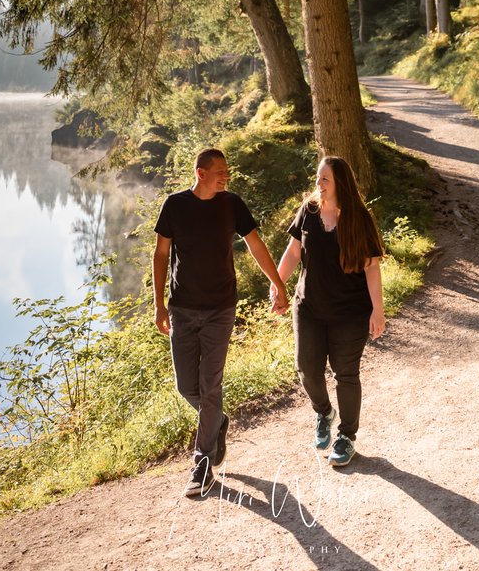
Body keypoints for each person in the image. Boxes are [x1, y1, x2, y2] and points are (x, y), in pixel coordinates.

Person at [153, 147, 289, 497]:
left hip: (220, 310)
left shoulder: (232, 205)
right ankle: (216, 421)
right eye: (220, 171)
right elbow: (161, 254)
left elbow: (256, 245)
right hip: (182, 309)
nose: (226, 176)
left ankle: (202, 465)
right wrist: (158, 305)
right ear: (200, 173)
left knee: (210, 387)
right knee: (187, 387)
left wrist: (278, 282)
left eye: (227, 171)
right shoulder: (175, 205)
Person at [276, 155, 385, 467]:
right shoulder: (308, 211)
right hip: (309, 307)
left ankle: (347, 436)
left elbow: (371, 267)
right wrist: (278, 284)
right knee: (306, 368)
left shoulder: (358, 219)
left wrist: (377, 309)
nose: (318, 184)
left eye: (324, 179)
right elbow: (293, 251)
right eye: (317, 178)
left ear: (340, 185)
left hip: (349, 313)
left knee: (345, 373)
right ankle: (324, 411)